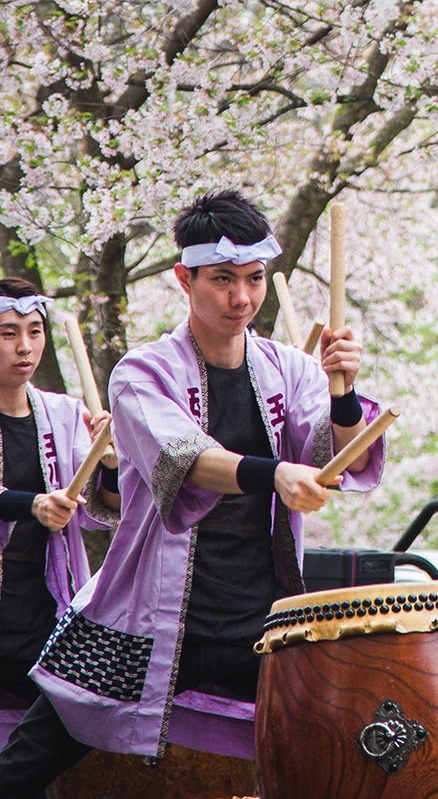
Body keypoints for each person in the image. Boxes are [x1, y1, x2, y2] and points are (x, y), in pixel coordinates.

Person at [0, 190, 386, 796]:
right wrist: (275, 474)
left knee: (333, 755)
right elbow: (186, 458)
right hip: (145, 614)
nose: (242, 298)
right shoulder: (143, 371)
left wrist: (343, 394)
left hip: (261, 614)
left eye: (254, 279)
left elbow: (335, 457)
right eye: (222, 280)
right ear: (185, 278)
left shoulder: (292, 368)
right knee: (27, 764)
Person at [0, 279, 120, 719]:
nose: (24, 347)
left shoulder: (64, 413)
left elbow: (100, 508)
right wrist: (34, 505)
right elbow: (35, 503)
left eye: (34, 331)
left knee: (63, 728)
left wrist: (106, 458)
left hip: (41, 612)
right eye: (8, 334)